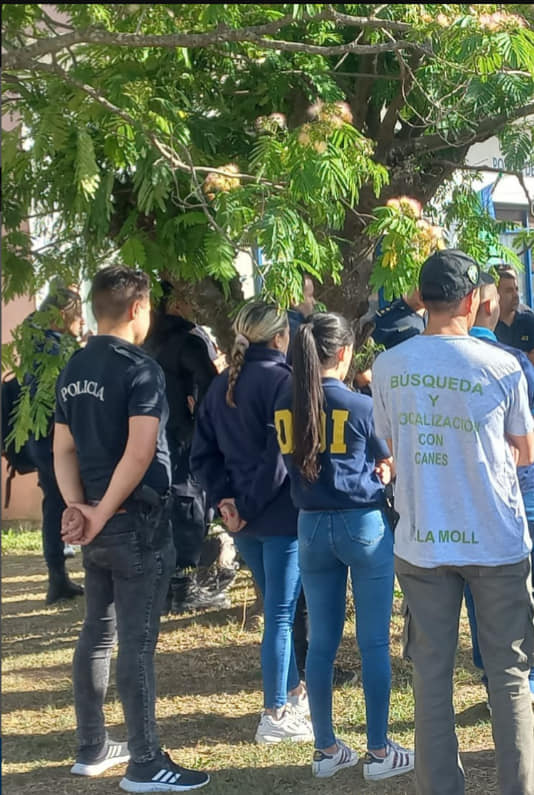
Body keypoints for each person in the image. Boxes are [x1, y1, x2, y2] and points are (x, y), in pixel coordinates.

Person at [372, 249, 534, 795]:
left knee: (431, 678)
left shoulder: (389, 366)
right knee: (509, 677)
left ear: (423, 299)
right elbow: (526, 450)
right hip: (496, 540)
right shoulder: (503, 365)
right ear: (471, 302)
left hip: (422, 540)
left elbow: (391, 442)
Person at [55, 266, 209, 793]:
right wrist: (98, 512)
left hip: (98, 523)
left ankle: (92, 746)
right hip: (135, 523)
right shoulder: (140, 368)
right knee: (136, 645)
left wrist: (78, 507)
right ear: (138, 309)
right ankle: (145, 761)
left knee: (97, 634)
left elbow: (63, 449)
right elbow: (141, 452)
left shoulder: (74, 366)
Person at [274, 312, 414, 780]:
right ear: (343, 353)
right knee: (374, 642)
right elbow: (387, 460)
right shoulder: (359, 405)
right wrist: (384, 472)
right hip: (362, 524)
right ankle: (378, 751)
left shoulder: (285, 403)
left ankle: (326, 748)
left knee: (320, 643)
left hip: (310, 526)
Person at [191, 301, 314, 744]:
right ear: (281, 337)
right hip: (276, 516)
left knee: (277, 609)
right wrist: (245, 505)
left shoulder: (223, 384)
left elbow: (202, 454)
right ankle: (274, 713)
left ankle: (293, 693)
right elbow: (280, 459)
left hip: (241, 522)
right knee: (280, 614)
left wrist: (225, 502)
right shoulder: (285, 382)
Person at [144, 281, 235, 613]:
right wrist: (202, 423)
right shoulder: (187, 339)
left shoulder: (145, 340)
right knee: (189, 504)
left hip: (150, 435)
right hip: (184, 436)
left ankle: (168, 586)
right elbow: (210, 386)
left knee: (164, 506)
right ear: (175, 304)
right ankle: (183, 589)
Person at [466, 273, 534, 708]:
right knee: (518, 590)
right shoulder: (512, 363)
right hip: (516, 492)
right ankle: (523, 680)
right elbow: (526, 446)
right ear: (487, 306)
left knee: (476, 594)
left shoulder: (422, 362)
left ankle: (493, 679)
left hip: (460, 500)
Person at [24, 283, 85, 604]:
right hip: (55, 439)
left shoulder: (34, 342)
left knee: (54, 505)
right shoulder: (54, 348)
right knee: (74, 501)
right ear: (62, 314)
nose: (81, 320)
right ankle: (66, 578)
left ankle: (58, 578)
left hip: (39, 439)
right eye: (78, 314)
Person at [495, 265, 534, 365]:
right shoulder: (489, 325)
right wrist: (525, 357)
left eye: (516, 289)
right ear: (495, 294)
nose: (516, 295)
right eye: (509, 291)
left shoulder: (529, 320)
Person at [287, 274, 316, 364]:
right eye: (310, 296)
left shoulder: (274, 323)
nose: (314, 302)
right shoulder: (299, 331)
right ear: (294, 300)